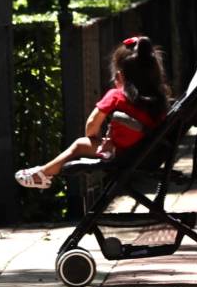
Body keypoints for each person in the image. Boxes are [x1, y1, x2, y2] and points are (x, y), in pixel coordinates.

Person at [15, 35, 170, 188]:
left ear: (120, 74)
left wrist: (97, 140)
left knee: (80, 144)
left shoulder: (116, 96)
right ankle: (43, 173)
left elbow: (91, 125)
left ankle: (42, 174)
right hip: (150, 155)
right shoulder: (160, 98)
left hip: (123, 155)